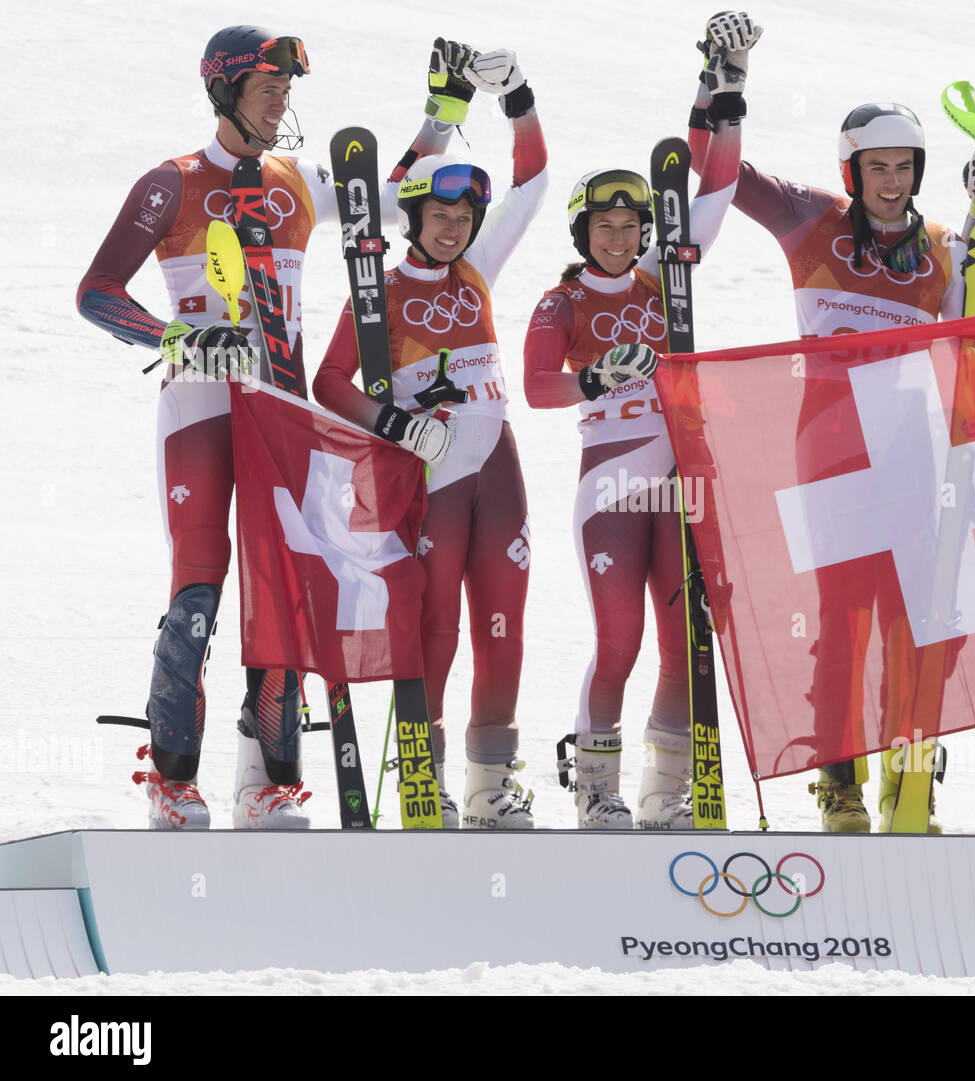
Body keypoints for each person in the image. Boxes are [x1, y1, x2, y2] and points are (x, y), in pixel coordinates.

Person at [76, 26, 464, 830]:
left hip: (283, 413)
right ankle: (174, 781)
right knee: (198, 589)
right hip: (203, 406)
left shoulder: (294, 176)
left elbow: (388, 193)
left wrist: (444, 111)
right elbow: (97, 290)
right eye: (267, 88)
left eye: (287, 90)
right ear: (225, 92)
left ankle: (267, 779)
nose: (281, 101)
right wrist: (173, 336)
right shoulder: (173, 182)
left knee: (284, 588)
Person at [686, 11, 975, 833]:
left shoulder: (941, 245)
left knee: (926, 619)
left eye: (904, 167)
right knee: (844, 620)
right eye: (877, 167)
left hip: (914, 452)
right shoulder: (811, 220)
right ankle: (839, 782)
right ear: (852, 168)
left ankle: (912, 777)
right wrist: (724, 84)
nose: (891, 181)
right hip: (828, 451)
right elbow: (719, 173)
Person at [314, 44, 546, 830]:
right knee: (437, 623)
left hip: (499, 464)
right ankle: (425, 772)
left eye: (463, 216)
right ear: (411, 219)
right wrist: (400, 426)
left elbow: (537, 182)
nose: (453, 228)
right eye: (439, 215)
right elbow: (330, 381)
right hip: (435, 474)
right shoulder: (377, 289)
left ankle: (491, 782)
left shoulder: (478, 268)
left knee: (504, 621)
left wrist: (518, 98)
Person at [521, 126, 740, 828]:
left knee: (685, 644)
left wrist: (725, 95)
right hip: (611, 485)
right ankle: (597, 794)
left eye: (629, 226)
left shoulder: (661, 277)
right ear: (582, 232)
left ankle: (662, 796)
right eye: (604, 226)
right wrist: (592, 377)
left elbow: (720, 189)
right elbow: (533, 388)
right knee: (620, 641)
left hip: (679, 482)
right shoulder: (563, 302)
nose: (617, 238)